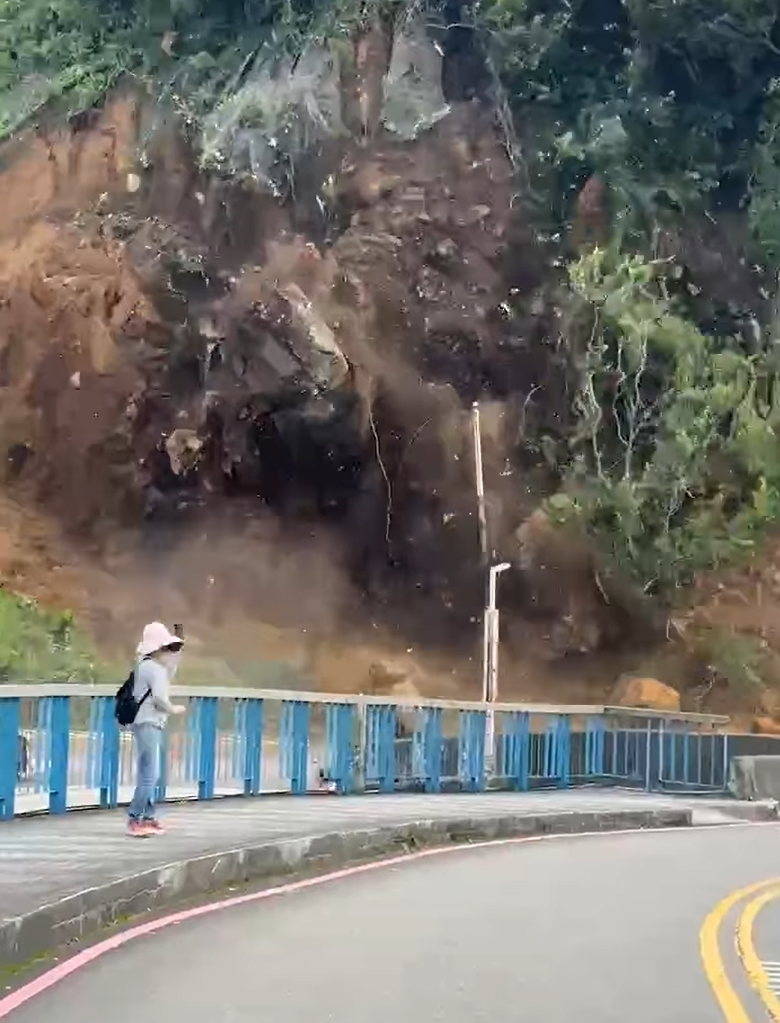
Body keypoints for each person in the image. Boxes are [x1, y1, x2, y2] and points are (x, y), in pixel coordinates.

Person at [127, 622, 187, 837]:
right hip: (150, 722)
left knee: (149, 772)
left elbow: (167, 674)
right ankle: (136, 818)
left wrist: (176, 653)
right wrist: (174, 709)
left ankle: (149, 817)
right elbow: (161, 698)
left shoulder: (144, 665)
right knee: (150, 774)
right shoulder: (155, 669)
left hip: (141, 722)